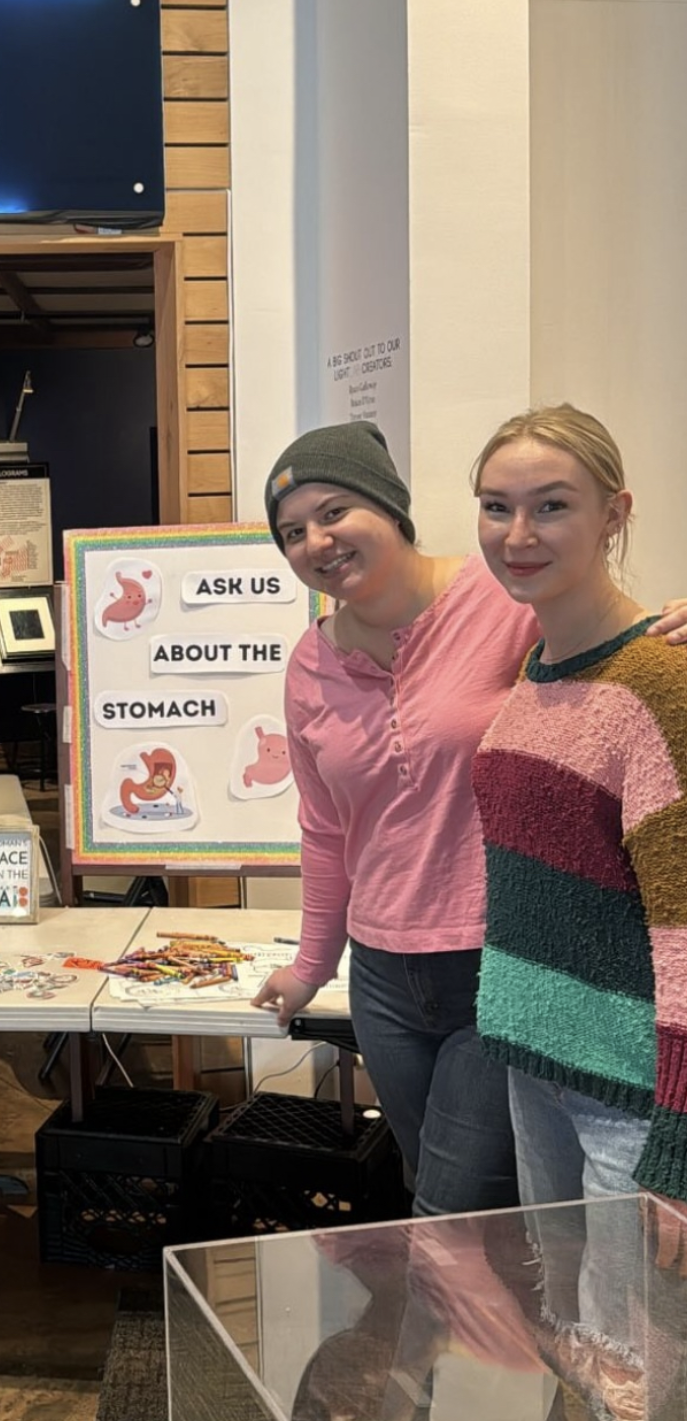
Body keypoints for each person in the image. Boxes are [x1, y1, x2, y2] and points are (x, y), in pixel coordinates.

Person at [250, 421, 687, 1217]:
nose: (317, 541)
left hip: (501, 958)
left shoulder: (504, 595)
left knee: (448, 1218)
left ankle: (445, 1343)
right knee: (459, 1205)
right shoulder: (309, 663)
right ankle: (505, 1344)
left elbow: (613, 645)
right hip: (382, 974)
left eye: (336, 511)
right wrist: (313, 965)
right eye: (292, 531)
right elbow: (325, 828)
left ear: (390, 507)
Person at [471, 406, 687, 1389]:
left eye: (551, 506)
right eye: (497, 506)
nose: (519, 534)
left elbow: (683, 928)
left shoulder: (658, 680)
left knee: (639, 1376)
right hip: (535, 1065)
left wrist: (678, 1139)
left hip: (627, 1098)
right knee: (577, 1342)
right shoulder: (536, 666)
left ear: (614, 512)